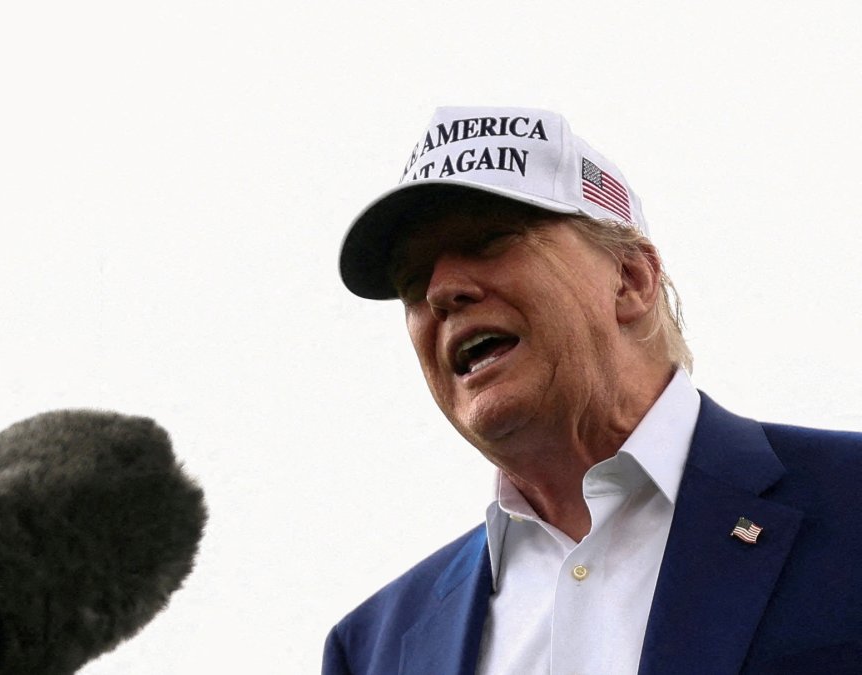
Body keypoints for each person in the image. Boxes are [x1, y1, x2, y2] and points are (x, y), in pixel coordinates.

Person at [323, 106, 862, 674]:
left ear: (629, 281)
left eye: (488, 241)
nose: (442, 292)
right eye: (412, 282)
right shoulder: (372, 649)